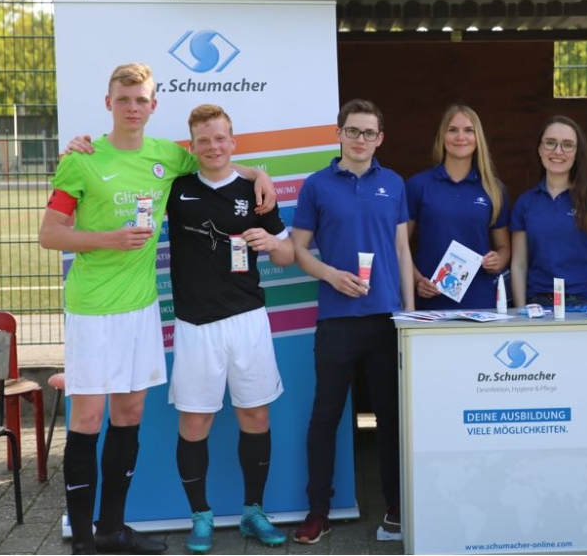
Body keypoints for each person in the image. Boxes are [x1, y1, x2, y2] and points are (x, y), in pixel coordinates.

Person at [39, 63, 274, 555]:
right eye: (124, 99)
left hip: (141, 307)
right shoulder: (81, 159)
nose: (132, 108)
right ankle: (83, 540)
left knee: (129, 414)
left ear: (153, 105)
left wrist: (261, 174)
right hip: (92, 308)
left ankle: (112, 530)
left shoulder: (168, 156)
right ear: (108, 103)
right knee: (88, 419)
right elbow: (50, 234)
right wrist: (110, 239)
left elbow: (218, 163)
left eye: (141, 100)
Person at [166, 105, 296, 552]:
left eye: (220, 138)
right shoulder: (176, 187)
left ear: (233, 142)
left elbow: (287, 255)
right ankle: (200, 517)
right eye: (204, 140)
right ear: (192, 146)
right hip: (195, 324)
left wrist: (272, 241)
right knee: (195, 420)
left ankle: (253, 512)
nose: (213, 147)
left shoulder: (254, 192)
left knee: (255, 416)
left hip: (247, 321)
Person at [290, 99, 415, 544]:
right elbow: (298, 249)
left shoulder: (394, 183)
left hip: (385, 318)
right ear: (338, 133)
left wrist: (409, 315)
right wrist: (330, 275)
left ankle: (397, 506)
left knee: (391, 418)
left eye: (369, 133)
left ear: (380, 138)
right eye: (353, 131)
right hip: (337, 319)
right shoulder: (316, 185)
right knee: (325, 417)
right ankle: (318, 512)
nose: (360, 139)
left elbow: (402, 250)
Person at [406, 104, 511, 309]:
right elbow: (398, 246)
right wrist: (417, 280)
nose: (460, 137)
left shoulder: (493, 189)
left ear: (477, 138)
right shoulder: (418, 186)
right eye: (452, 130)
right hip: (430, 301)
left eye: (468, 130)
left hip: (480, 303)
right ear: (442, 136)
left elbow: (505, 248)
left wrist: (498, 260)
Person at [510, 115, 587, 308]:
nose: (558, 151)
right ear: (540, 149)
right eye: (550, 143)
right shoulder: (525, 202)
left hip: (585, 305)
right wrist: (520, 311)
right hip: (537, 306)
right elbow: (519, 264)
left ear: (577, 153)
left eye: (567, 145)